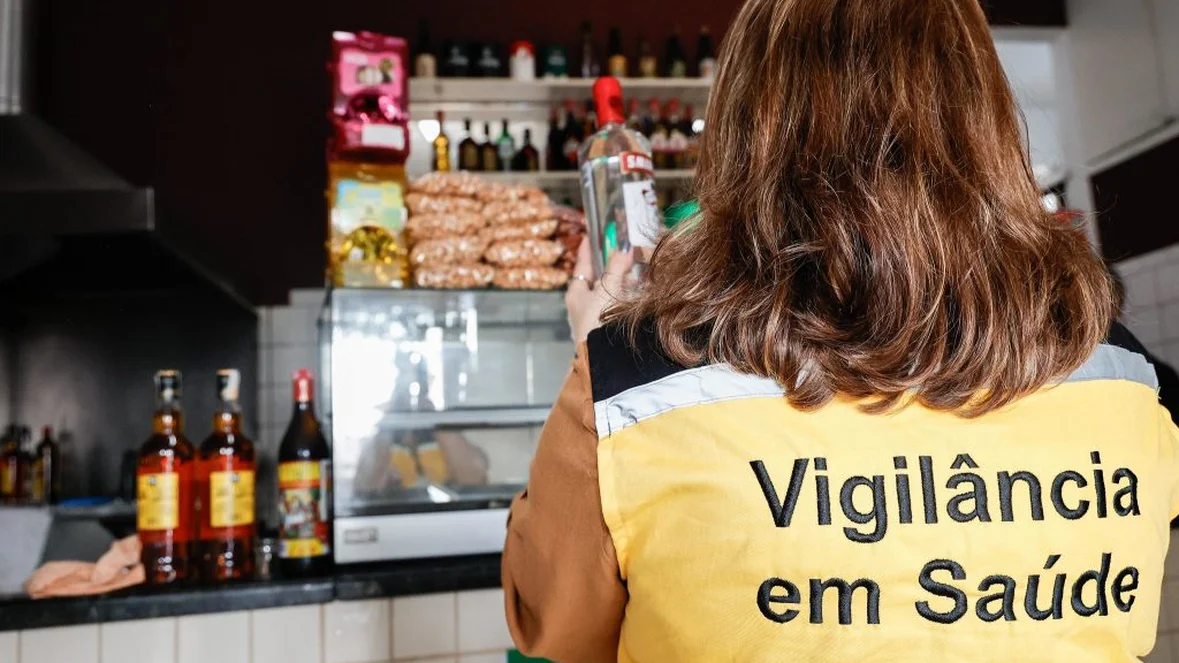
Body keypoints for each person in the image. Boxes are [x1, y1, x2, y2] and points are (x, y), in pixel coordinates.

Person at [502, 0, 1179, 661]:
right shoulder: (1121, 370)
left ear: (746, 129)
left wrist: (600, 343)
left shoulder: (635, 379)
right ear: (987, 118)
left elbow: (553, 625)